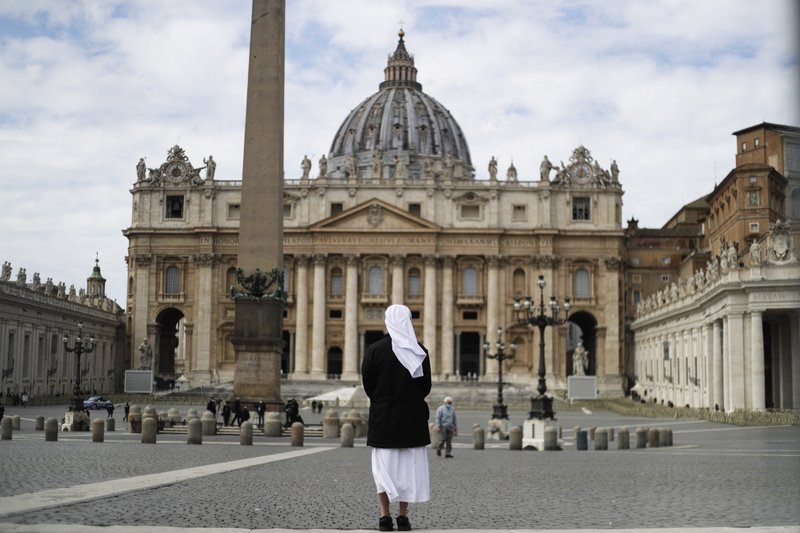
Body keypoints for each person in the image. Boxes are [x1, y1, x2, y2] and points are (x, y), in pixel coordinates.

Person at [362, 304, 431, 532]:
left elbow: (368, 384)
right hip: (412, 420)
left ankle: (384, 516)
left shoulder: (374, 350)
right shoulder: (419, 351)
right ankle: (402, 516)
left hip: (383, 418)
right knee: (408, 471)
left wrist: (382, 400)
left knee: (383, 471)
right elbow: (426, 387)